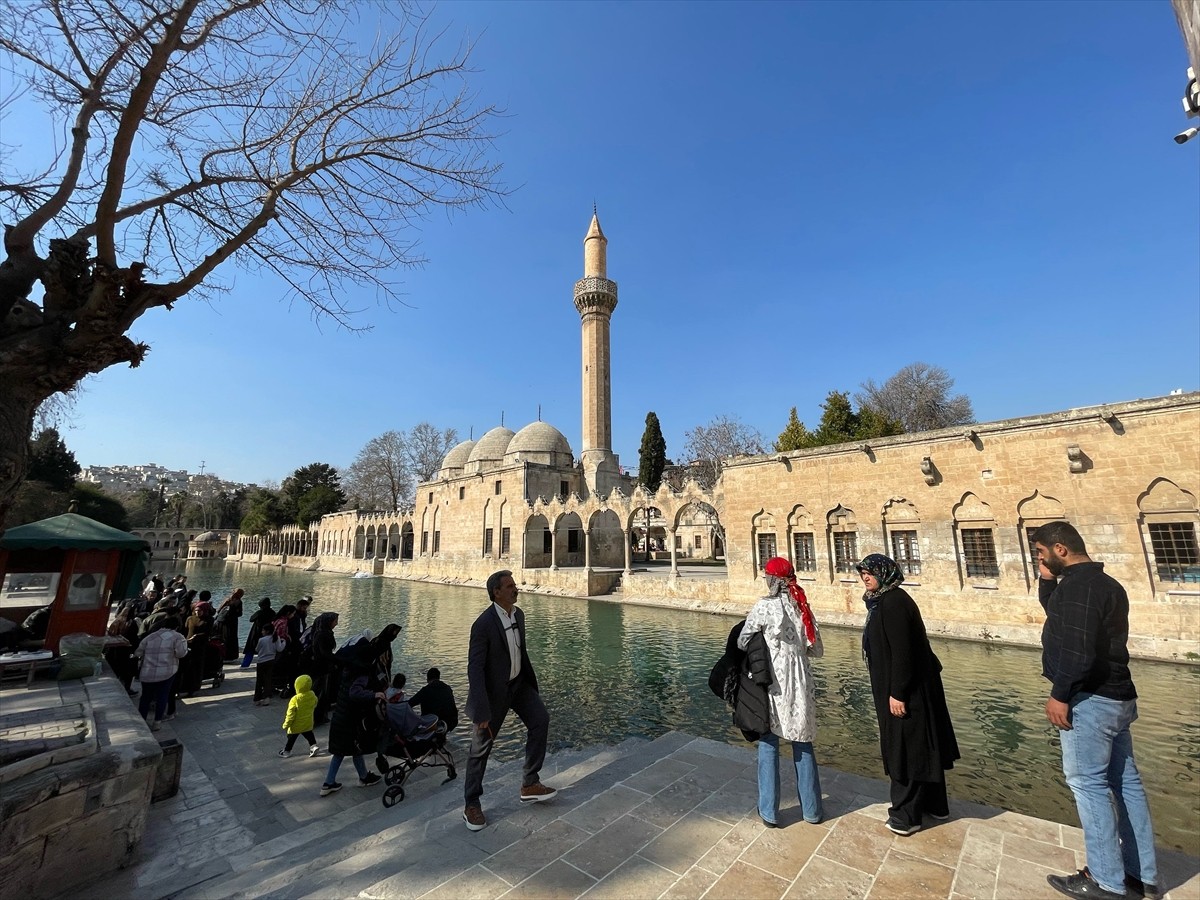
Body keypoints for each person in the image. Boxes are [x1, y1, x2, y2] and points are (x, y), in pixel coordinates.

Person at [1033, 522, 1160, 900]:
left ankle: (1105, 880)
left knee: (1088, 786)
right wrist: (1045, 581)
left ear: (1060, 549)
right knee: (1127, 784)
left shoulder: (1078, 589)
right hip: (1118, 698)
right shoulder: (1104, 584)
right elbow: (1061, 616)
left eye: (1041, 553)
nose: (1039, 558)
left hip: (1090, 700)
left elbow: (1077, 651)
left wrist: (1059, 695)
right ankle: (1142, 875)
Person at [857, 553, 960, 837]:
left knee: (905, 749)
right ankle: (935, 805)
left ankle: (906, 816)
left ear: (885, 573)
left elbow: (902, 652)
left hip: (905, 690)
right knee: (923, 745)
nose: (865, 577)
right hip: (913, 686)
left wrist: (897, 693)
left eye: (869, 572)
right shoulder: (885, 601)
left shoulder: (893, 604)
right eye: (862, 572)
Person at [462, 570, 556, 832]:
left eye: (515, 585)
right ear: (497, 592)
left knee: (541, 721)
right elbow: (475, 668)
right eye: (511, 586)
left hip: (518, 685)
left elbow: (520, 652)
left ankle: (529, 783)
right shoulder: (483, 625)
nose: (516, 589)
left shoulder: (519, 615)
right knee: (480, 750)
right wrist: (480, 708)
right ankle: (471, 804)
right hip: (493, 694)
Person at [737, 557, 824, 828]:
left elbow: (743, 640)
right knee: (802, 743)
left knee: (768, 742)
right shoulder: (802, 607)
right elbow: (816, 649)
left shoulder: (765, 605)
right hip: (801, 684)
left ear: (773, 580)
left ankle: (769, 812)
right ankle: (812, 811)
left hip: (774, 683)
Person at [322, 638, 385, 796]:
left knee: (350, 749)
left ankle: (362, 777)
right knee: (346, 750)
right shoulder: (361, 674)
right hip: (349, 719)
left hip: (341, 715)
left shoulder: (348, 669)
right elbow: (355, 693)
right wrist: (374, 694)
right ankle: (329, 783)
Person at [134, 614, 187, 731]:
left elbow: (138, 652)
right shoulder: (178, 637)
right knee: (162, 696)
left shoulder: (150, 637)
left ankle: (141, 722)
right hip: (167, 672)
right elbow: (181, 654)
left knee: (145, 697)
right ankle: (157, 721)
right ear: (177, 627)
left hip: (147, 672)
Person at [299, 612, 340, 726]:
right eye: (335, 621)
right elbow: (324, 652)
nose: (336, 624)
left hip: (322, 666)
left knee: (321, 692)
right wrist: (337, 659)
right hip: (321, 667)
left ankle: (319, 716)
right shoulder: (322, 634)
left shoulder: (323, 633)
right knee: (319, 692)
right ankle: (315, 717)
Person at [280, 674, 321, 758]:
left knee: (292, 737)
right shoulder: (312, 695)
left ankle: (287, 751)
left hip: (296, 724)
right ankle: (313, 746)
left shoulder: (295, 699)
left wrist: (286, 724)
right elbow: (315, 703)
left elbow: (290, 714)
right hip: (308, 721)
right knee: (309, 734)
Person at [409, 667, 459, 732]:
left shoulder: (426, 690)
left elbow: (410, 703)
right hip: (450, 722)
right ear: (438, 677)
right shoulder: (448, 688)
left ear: (427, 679)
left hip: (432, 722)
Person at [254, 622, 286, 706]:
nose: (262, 632)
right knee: (268, 679)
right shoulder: (276, 638)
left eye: (263, 630)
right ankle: (266, 698)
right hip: (271, 661)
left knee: (259, 680)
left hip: (261, 661)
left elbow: (257, 650)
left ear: (267, 631)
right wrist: (284, 642)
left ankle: (257, 698)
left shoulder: (261, 640)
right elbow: (279, 649)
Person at [243, 597, 275, 665]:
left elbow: (251, 619)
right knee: (265, 650)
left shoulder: (259, 612)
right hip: (267, 633)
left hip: (255, 633)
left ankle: (245, 664)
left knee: (250, 650)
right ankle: (263, 663)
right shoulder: (272, 612)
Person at [215, 588, 244, 661]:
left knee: (222, 638)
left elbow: (218, 610)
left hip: (221, 620)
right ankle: (230, 656)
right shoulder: (238, 601)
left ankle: (221, 654)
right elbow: (239, 613)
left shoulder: (227, 599)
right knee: (231, 638)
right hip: (231, 622)